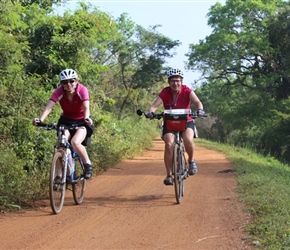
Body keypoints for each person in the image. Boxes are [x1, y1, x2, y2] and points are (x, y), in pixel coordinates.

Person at [147, 68, 205, 186]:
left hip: (186, 120)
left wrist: (200, 110)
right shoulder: (165, 92)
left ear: (181, 81)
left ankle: (191, 161)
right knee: (168, 144)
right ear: (169, 82)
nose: (175, 83)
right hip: (169, 122)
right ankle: (168, 175)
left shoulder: (187, 90)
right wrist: (151, 113)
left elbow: (198, 102)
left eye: (178, 81)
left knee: (188, 139)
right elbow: (154, 106)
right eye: (173, 81)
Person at [33, 69, 94, 179]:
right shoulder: (59, 91)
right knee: (61, 145)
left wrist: (87, 118)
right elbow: (49, 107)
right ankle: (59, 175)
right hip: (66, 121)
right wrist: (40, 119)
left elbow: (86, 107)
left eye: (71, 81)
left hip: (81, 121)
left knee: (75, 142)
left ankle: (87, 164)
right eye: (65, 82)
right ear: (61, 84)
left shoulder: (82, 90)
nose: (69, 84)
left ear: (77, 81)